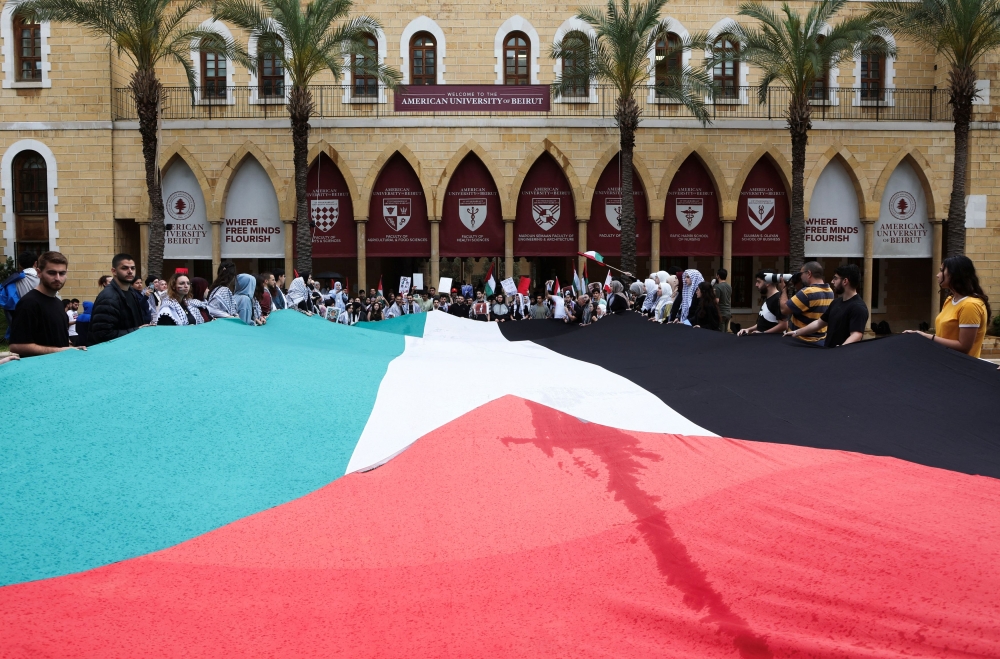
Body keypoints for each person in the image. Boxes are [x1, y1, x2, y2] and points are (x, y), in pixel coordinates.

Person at [905, 255, 991, 358]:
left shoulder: (970, 305)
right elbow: (944, 336)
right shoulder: (950, 300)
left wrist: (925, 336)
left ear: (954, 274)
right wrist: (918, 336)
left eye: (941, 271)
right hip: (943, 362)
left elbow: (964, 347)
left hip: (960, 368)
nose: (938, 275)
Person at [8, 251, 82, 357]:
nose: (57, 278)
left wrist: (70, 347)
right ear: (39, 272)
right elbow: (16, 346)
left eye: (62, 273)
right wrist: (58, 350)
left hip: (59, 368)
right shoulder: (29, 303)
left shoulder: (57, 302)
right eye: (52, 273)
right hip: (38, 371)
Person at [784, 264, 867, 347]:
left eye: (835, 278)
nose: (832, 281)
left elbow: (856, 335)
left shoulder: (858, 307)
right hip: (828, 352)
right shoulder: (836, 302)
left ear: (845, 281)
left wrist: (841, 349)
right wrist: (796, 332)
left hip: (843, 356)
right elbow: (819, 323)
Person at [90, 253, 147, 345]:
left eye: (132, 268)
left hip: (130, 348)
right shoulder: (108, 297)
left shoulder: (131, 291)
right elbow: (103, 335)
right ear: (114, 271)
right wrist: (137, 330)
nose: (130, 271)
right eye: (124, 268)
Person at [782, 261, 834, 345]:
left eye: (801, 274)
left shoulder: (807, 292)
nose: (801, 277)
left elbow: (784, 309)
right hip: (820, 340)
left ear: (809, 273)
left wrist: (783, 290)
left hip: (802, 340)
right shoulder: (830, 291)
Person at [0, 250, 40, 338]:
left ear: (20, 265)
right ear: (35, 263)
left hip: (22, 322)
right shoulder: (43, 278)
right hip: (42, 320)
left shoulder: (12, 281)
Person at [738, 271, 788, 336]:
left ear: (768, 283)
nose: (756, 284)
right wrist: (748, 329)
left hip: (772, 343)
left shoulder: (777, 299)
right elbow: (763, 323)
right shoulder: (767, 298)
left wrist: (763, 333)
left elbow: (784, 325)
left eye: (759, 282)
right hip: (763, 341)